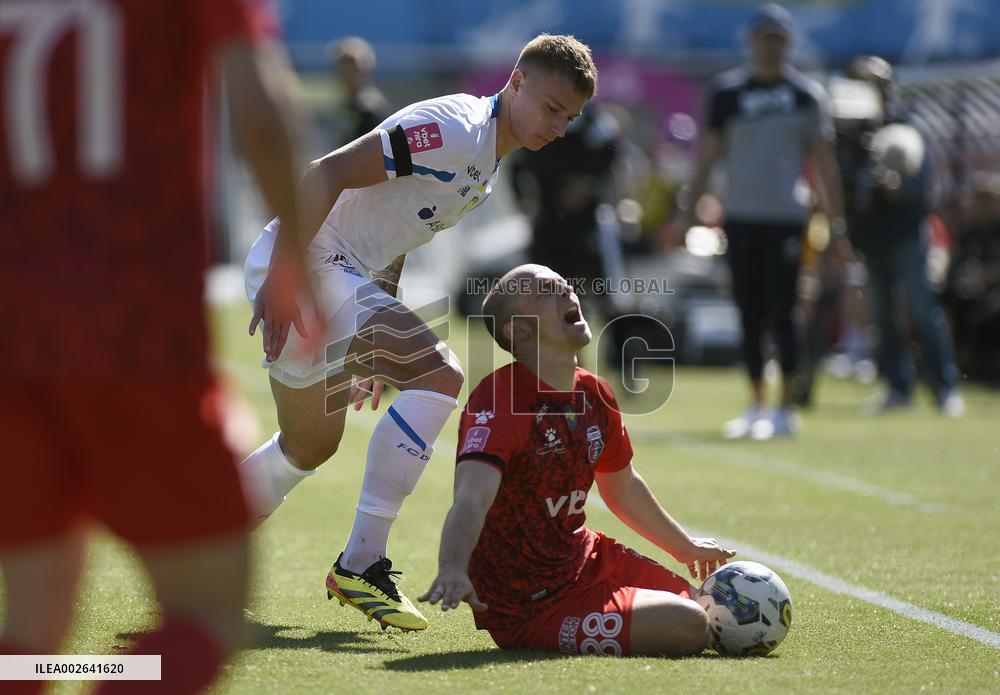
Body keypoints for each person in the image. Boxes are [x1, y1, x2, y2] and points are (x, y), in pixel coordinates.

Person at [0, 1, 314, 694]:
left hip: (11, 336)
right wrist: (295, 253)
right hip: (131, 327)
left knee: (30, 632)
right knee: (206, 611)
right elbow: (259, 105)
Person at [240, 34, 598, 632]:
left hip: (336, 272)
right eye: (552, 108)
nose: (559, 126)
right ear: (516, 82)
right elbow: (326, 172)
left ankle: (199, 540)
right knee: (441, 374)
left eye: (571, 117)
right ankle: (361, 563)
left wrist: (380, 321)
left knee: (308, 445)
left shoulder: (485, 163)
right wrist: (283, 277)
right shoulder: (457, 130)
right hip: (307, 259)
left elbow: (394, 237)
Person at [418, 264, 734, 657]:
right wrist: (452, 567)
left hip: (587, 560)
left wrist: (683, 547)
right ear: (518, 330)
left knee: (710, 605)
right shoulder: (500, 401)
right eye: (547, 291)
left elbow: (622, 485)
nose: (567, 292)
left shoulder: (594, 392)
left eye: (565, 285)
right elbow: (471, 497)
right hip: (532, 606)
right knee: (690, 625)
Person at [678, 4, 846, 439]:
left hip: (787, 218)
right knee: (749, 310)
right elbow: (707, 159)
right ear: (752, 42)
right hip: (740, 216)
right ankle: (756, 405)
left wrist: (837, 223)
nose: (770, 46)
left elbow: (823, 164)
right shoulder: (727, 94)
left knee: (784, 309)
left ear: (787, 43)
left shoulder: (806, 95)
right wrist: (687, 212)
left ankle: (786, 408)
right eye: (764, 38)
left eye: (778, 39)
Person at [844, 55, 963, 416]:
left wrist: (896, 188)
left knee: (922, 309)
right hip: (871, 238)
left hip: (907, 234)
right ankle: (898, 386)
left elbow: (922, 186)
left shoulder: (906, 127)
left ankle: (944, 386)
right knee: (882, 318)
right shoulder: (847, 133)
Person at [329, 36, 390, 148]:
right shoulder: (348, 104)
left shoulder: (370, 109)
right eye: (342, 68)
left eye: (352, 68)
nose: (346, 75)